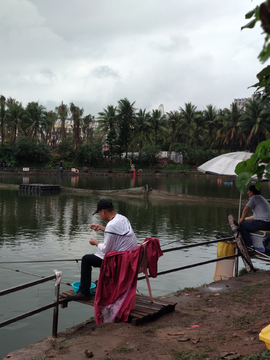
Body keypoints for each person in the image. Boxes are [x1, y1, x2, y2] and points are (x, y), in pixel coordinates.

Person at [67, 199, 137, 301]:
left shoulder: (111, 225)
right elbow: (118, 233)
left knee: (86, 259)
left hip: (121, 261)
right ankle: (102, 282)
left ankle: (84, 292)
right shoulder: (122, 218)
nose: (100, 215)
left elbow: (105, 250)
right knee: (101, 256)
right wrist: (101, 228)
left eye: (99, 213)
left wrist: (95, 243)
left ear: (103, 211)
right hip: (132, 257)